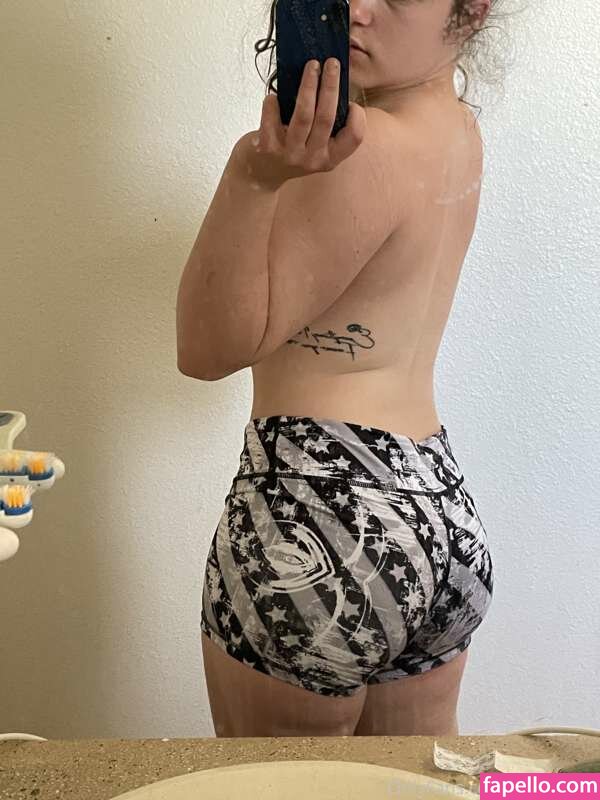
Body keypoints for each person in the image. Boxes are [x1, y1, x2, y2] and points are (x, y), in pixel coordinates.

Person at [182, 0, 498, 736]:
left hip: (319, 504)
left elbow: (206, 349)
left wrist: (251, 176)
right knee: (416, 784)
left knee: (281, 786)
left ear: (472, 11)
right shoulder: (459, 131)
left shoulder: (364, 145)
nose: (357, 10)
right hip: (441, 512)